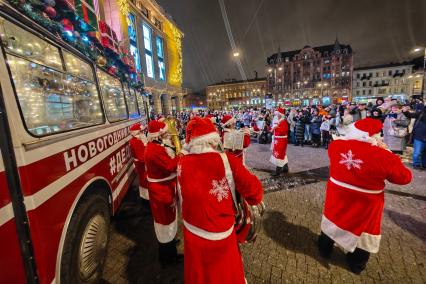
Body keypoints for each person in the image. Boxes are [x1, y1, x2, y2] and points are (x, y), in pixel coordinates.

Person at [318, 118, 412, 274]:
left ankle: (324, 249)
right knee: (363, 234)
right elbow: (404, 178)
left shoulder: (336, 146)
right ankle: (356, 264)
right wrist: (387, 151)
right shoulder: (383, 155)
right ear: (375, 136)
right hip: (366, 203)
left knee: (332, 222)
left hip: (338, 195)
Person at [177, 117, 263, 284]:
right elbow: (255, 194)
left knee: (199, 274)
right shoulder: (227, 161)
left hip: (191, 232)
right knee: (223, 275)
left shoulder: (182, 161)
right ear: (213, 139)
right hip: (219, 237)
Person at [144, 120, 181, 267]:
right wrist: (181, 155)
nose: (167, 134)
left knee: (168, 220)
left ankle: (170, 243)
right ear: (158, 135)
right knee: (165, 222)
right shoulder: (155, 150)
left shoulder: (156, 146)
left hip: (163, 188)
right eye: (164, 133)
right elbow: (170, 166)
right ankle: (168, 257)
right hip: (162, 191)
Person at [129, 123, 149, 201]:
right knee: (144, 179)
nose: (142, 133)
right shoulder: (136, 141)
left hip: (141, 162)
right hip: (141, 164)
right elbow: (141, 157)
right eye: (141, 131)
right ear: (137, 133)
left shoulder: (138, 140)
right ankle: (146, 196)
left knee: (143, 179)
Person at [403, 104, 426, 170]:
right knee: (417, 152)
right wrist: (405, 111)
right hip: (419, 136)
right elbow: (410, 115)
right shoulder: (421, 113)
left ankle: (424, 165)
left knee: (424, 153)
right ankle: (416, 164)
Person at [270, 108, 289, 176]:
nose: (277, 116)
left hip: (281, 140)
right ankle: (285, 167)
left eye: (278, 114)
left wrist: (275, 128)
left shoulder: (284, 121)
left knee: (279, 154)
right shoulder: (280, 121)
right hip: (278, 140)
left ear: (281, 115)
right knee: (282, 154)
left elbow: (283, 131)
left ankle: (278, 171)